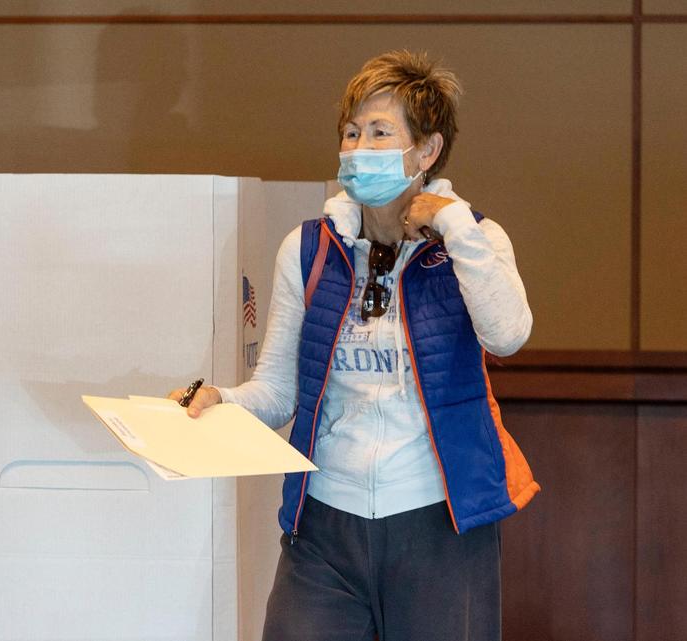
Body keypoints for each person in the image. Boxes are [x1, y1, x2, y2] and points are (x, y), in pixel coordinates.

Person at [169, 50, 540, 641]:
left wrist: (454, 223)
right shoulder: (309, 249)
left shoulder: (475, 240)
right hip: (324, 524)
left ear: (426, 151)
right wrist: (222, 400)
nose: (359, 147)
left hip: (440, 522)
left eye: (380, 132)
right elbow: (278, 390)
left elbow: (508, 334)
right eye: (351, 132)